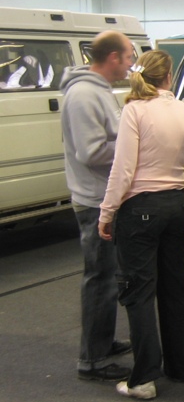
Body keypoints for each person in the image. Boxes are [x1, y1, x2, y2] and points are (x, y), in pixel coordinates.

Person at [98, 49, 184, 400]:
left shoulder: (134, 111)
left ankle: (144, 378)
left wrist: (107, 211)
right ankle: (182, 367)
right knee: (176, 289)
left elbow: (124, 169)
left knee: (139, 293)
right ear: (169, 77)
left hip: (139, 210)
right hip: (175, 206)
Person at [60, 30, 134, 382]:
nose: (132, 64)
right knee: (100, 281)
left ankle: (102, 343)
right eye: (130, 56)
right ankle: (92, 360)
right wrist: (132, 153)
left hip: (105, 198)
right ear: (113, 57)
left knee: (108, 278)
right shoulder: (84, 95)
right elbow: (90, 152)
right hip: (93, 202)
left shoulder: (101, 92)